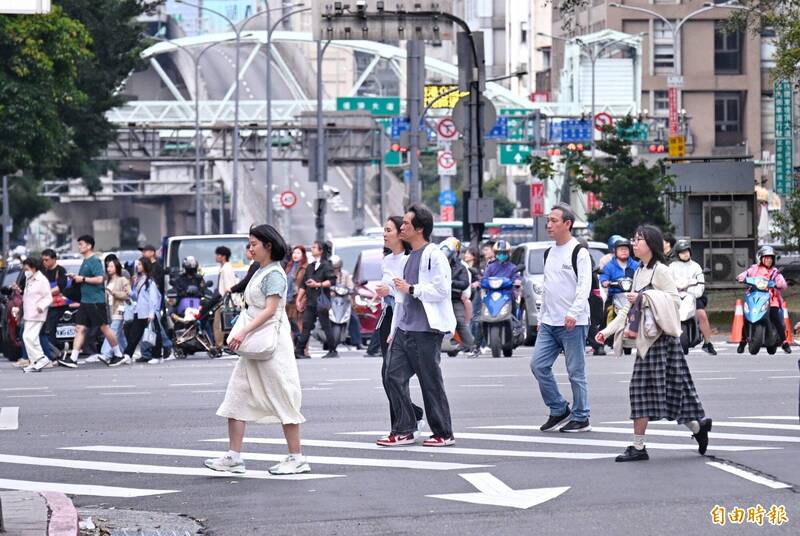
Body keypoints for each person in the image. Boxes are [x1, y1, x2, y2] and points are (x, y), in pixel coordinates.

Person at [597, 225, 711, 462]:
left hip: (664, 342)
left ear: (651, 244)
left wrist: (645, 297)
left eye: (638, 240)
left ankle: (697, 429)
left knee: (672, 396)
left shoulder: (661, 271)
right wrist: (606, 332)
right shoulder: (639, 271)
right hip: (646, 341)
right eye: (633, 239)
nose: (633, 244)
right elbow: (628, 308)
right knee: (641, 391)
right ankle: (641, 446)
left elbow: (674, 302)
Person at [205, 224, 308, 475]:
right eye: (249, 244)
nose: (249, 248)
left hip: (270, 346)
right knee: (236, 397)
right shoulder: (260, 270)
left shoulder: (274, 273)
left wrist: (242, 331)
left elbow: (271, 309)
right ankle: (233, 456)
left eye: (253, 244)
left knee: (283, 397)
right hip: (254, 346)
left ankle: (297, 457)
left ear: (268, 246)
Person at [378, 204, 457, 447]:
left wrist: (412, 289)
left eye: (406, 224)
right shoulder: (408, 257)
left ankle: (443, 433)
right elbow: (400, 298)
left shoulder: (434, 255)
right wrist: (393, 330)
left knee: (430, 382)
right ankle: (405, 428)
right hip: (404, 328)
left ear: (419, 228)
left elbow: (442, 290)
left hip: (426, 330)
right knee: (391, 375)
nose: (402, 227)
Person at [530, 204, 592, 433]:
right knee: (538, 365)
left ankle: (581, 416)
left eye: (554, 220)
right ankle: (558, 408)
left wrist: (573, 313)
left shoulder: (579, 252)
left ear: (568, 224)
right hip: (549, 322)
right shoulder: (549, 252)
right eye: (548, 220)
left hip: (572, 323)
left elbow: (584, 286)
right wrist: (541, 315)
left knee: (575, 372)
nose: (549, 224)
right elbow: (547, 287)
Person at [373, 216, 425, 431]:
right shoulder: (386, 260)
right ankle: (410, 415)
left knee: (393, 373)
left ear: (399, 234)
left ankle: (403, 424)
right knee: (387, 375)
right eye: (384, 230)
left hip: (404, 319)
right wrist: (381, 293)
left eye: (388, 230)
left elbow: (410, 288)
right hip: (387, 317)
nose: (385, 234)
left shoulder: (409, 259)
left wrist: (391, 290)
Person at [58, 235, 126, 369]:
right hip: (85, 301)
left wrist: (82, 279)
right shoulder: (85, 261)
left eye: (81, 244)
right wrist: (76, 278)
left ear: (89, 246)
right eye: (79, 244)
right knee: (80, 328)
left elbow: (100, 279)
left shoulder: (94, 260)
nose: (80, 247)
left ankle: (118, 355)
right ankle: (73, 358)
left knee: (104, 328)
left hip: (95, 301)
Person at [736, 246, 791, 354]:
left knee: (776, 316)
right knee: (747, 317)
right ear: (760, 258)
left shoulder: (775, 272)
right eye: (766, 258)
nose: (769, 260)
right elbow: (745, 274)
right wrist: (741, 277)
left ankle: (784, 342)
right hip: (754, 296)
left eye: (771, 258)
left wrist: (780, 283)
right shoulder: (754, 269)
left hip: (771, 298)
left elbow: (782, 282)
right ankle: (742, 341)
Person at [669, 240, 716, 355]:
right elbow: (667, 281)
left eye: (686, 251)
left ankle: (707, 342)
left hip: (693, 295)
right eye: (682, 252)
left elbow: (701, 283)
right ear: (677, 254)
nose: (685, 254)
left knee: (702, 314)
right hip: (675, 296)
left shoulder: (696, 267)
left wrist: (695, 293)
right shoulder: (672, 267)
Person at [294, 240, 338, 358]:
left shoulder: (327, 265)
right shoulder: (310, 266)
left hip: (321, 301)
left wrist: (318, 284)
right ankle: (299, 350)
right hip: (310, 301)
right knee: (306, 325)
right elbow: (303, 284)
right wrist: (298, 299)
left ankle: (333, 350)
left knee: (325, 325)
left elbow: (332, 281)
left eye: (314, 247)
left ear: (321, 251)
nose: (312, 249)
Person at [121, 257, 162, 365]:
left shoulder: (150, 281)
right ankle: (127, 355)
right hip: (139, 311)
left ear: (145, 266)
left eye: (140, 264)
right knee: (134, 334)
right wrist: (129, 292)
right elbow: (136, 297)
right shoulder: (139, 280)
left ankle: (157, 355)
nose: (137, 266)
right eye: (137, 264)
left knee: (155, 334)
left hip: (148, 313)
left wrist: (152, 312)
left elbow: (153, 298)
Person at [441, 237, 474, 353]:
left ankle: (471, 345)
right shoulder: (437, 265)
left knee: (459, 321)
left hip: (455, 299)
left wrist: (451, 283)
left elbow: (465, 283)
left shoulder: (461, 267)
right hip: (439, 299)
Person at [20, 258, 54, 372]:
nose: (25, 271)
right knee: (30, 338)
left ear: (34, 268)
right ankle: (35, 361)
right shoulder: (29, 279)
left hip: (37, 314)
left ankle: (41, 358)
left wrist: (41, 306)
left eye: (27, 268)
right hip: (29, 313)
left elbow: (48, 297)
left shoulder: (42, 280)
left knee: (29, 337)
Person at [140, 244, 171, 360]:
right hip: (147, 301)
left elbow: (157, 284)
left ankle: (166, 345)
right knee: (153, 326)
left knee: (155, 325)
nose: (143, 254)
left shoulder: (157, 267)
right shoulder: (147, 267)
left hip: (155, 300)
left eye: (145, 251)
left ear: (152, 252)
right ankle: (149, 351)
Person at [599, 238, 639, 325]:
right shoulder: (609, 266)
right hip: (614, 297)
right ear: (615, 251)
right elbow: (603, 276)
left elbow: (642, 276)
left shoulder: (636, 265)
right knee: (606, 316)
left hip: (632, 297)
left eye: (626, 249)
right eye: (621, 249)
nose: (624, 251)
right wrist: (605, 282)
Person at [100, 255, 131, 362]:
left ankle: (105, 354)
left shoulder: (122, 279)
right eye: (108, 266)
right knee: (119, 334)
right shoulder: (106, 280)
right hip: (109, 308)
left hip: (120, 308)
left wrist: (114, 293)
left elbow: (127, 294)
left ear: (117, 267)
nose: (109, 269)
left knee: (113, 331)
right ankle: (126, 353)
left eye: (111, 266)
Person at [330, 254, 363, 350]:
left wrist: (351, 290)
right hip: (331, 301)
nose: (335, 270)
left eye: (337, 268)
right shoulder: (326, 274)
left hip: (344, 300)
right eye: (333, 268)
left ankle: (357, 342)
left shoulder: (345, 274)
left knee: (354, 318)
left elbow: (351, 285)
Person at [41, 249, 68, 361]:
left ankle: (56, 352)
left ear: (54, 259)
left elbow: (61, 286)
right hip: (46, 305)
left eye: (46, 260)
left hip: (58, 306)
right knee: (46, 331)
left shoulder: (60, 270)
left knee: (50, 330)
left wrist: (46, 293)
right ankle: (60, 348)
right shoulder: (43, 271)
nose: (44, 262)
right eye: (43, 260)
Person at [213, 245, 239, 347]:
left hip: (224, 301)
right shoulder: (225, 268)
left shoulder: (226, 269)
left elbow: (229, 286)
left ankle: (219, 345)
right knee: (222, 324)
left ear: (223, 256)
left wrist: (226, 300)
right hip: (224, 300)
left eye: (218, 255)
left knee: (218, 324)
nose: (216, 257)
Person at [284, 246, 308, 354]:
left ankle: (303, 349)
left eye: (298, 253)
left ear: (303, 255)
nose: (295, 255)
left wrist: (302, 300)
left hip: (298, 298)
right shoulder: (289, 267)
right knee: (289, 324)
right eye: (294, 252)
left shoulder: (304, 268)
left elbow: (304, 285)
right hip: (288, 299)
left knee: (299, 324)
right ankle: (293, 349)